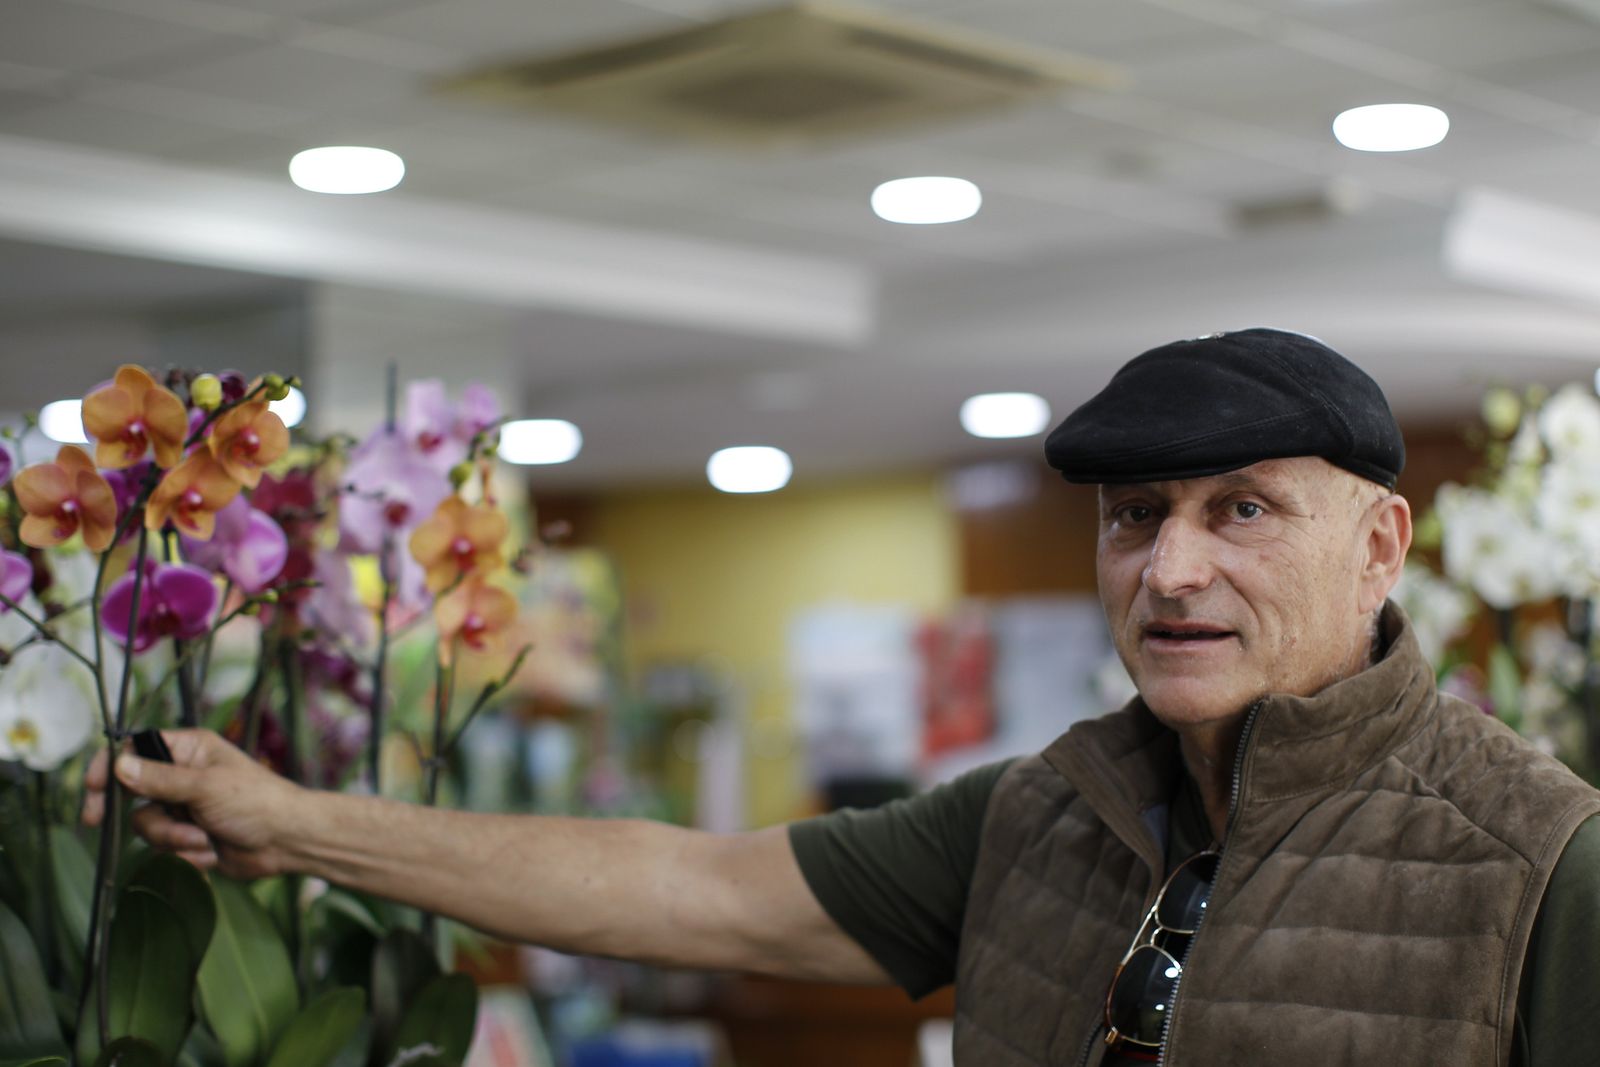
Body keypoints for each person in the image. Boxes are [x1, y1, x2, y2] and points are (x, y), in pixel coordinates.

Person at [84, 328, 1600, 1066]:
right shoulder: (1044, 814)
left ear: (1382, 546)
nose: (1173, 568)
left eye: (1242, 511)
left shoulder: (1540, 866)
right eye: (1136, 515)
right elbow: (693, 892)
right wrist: (288, 823)